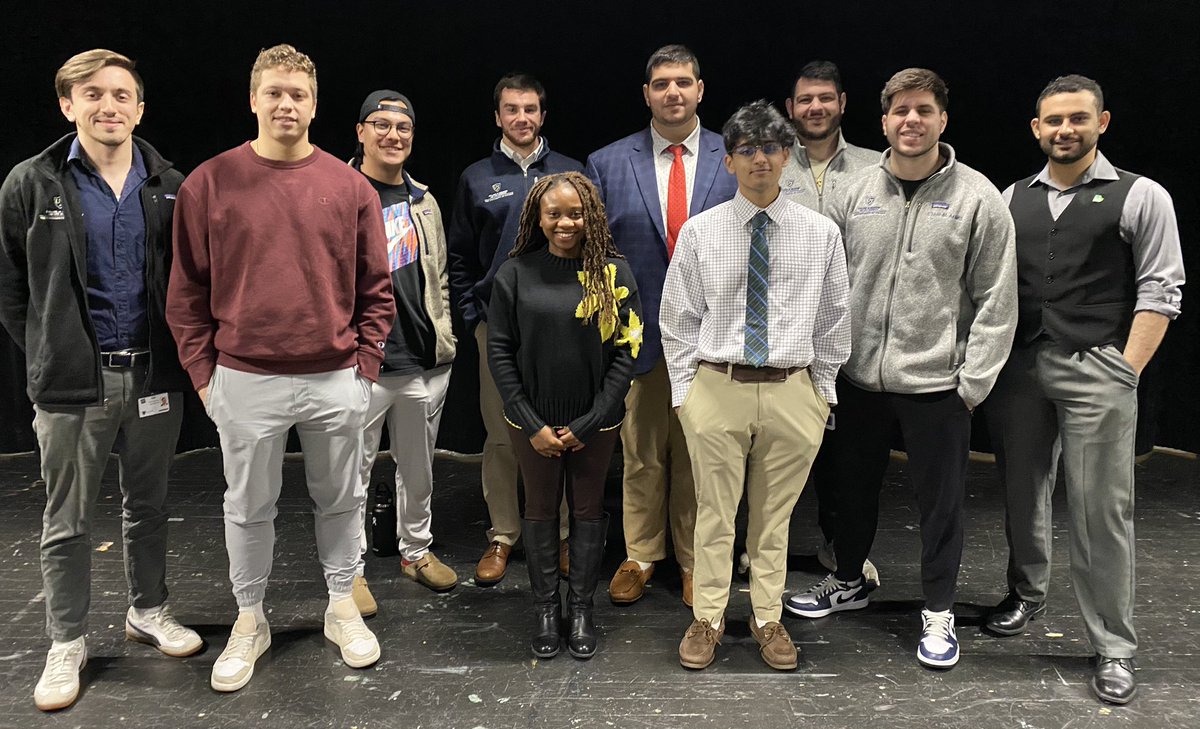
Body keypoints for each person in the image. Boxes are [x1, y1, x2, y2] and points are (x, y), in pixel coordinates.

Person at [167, 44, 395, 692]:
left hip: (334, 378)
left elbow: (377, 288)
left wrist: (366, 368)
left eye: (297, 94)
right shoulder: (209, 183)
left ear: (315, 104)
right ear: (253, 98)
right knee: (247, 506)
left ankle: (340, 605)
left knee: (341, 498)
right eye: (274, 92)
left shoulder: (349, 187)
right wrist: (205, 377)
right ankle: (249, 619)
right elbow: (184, 291)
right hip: (243, 378)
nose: (286, 104)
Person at [785, 68, 1017, 670]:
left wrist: (972, 384)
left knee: (940, 505)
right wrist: (826, 364)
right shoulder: (855, 192)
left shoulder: (978, 198)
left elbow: (997, 298)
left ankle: (938, 608)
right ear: (883, 120)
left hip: (938, 386)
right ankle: (851, 583)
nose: (911, 121)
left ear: (943, 119)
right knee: (851, 491)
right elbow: (822, 281)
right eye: (900, 111)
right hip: (859, 379)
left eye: (923, 110)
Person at [0, 48, 202, 712]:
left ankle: (148, 608)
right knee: (67, 518)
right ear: (68, 104)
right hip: (73, 385)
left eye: (122, 95)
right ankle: (66, 640)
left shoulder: (170, 185)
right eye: (93, 94)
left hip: (152, 374)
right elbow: (12, 291)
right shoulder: (31, 183)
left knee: (147, 505)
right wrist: (49, 353)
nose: (108, 105)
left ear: (139, 108)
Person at [984, 74, 1184, 705]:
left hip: (1097, 367)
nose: (1063, 130)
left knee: (1102, 509)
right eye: (1052, 120)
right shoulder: (1012, 196)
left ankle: (1113, 645)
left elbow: (1161, 289)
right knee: (1022, 491)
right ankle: (1027, 594)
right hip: (1021, 370)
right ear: (1036, 129)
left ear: (1101, 124)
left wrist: (1127, 368)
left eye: (1076, 119)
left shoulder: (1140, 195)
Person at [663, 100, 850, 671]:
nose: (759, 160)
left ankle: (768, 617)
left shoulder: (820, 233)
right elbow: (677, 321)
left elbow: (834, 317)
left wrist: (820, 395)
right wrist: (685, 397)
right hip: (718, 387)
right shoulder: (701, 233)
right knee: (714, 514)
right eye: (746, 150)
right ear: (729, 161)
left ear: (786, 156)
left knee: (776, 517)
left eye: (770, 148)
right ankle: (710, 617)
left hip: (794, 390)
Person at [585, 44, 737, 607]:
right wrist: (606, 334)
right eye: (661, 83)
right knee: (643, 451)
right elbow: (594, 256)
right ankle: (642, 552)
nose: (672, 92)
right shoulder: (606, 162)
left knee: (702, 455)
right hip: (639, 339)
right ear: (647, 93)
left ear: (700, 89)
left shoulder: (734, 155)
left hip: (713, 337)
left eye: (683, 82)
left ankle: (697, 559)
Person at [487, 171, 642, 660]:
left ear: (590, 215)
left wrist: (590, 420)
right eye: (554, 213)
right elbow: (499, 352)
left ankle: (582, 609)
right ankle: (545, 609)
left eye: (575, 212)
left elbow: (626, 352)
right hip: (530, 424)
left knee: (588, 513)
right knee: (538, 512)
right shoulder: (514, 274)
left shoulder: (613, 273)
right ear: (538, 217)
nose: (565, 222)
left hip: (595, 423)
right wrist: (532, 423)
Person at [447, 73, 583, 587]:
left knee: (563, 430)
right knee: (502, 434)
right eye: (511, 109)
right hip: (498, 328)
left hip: (563, 327)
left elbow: (593, 247)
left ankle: (564, 534)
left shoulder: (571, 172)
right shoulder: (477, 178)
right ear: (497, 116)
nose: (521, 117)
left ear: (542, 115)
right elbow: (460, 255)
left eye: (530, 108)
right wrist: (471, 314)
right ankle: (504, 534)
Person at [351, 90, 457, 611]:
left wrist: (445, 339)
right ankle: (348, 572)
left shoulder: (425, 200)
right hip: (363, 365)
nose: (393, 136)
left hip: (421, 360)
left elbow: (436, 275)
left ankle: (416, 552)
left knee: (419, 472)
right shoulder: (341, 192)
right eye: (382, 125)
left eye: (404, 128)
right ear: (361, 132)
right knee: (352, 475)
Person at [781, 59, 881, 587]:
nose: (815, 107)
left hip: (855, 335)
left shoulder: (877, 166)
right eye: (805, 100)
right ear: (790, 109)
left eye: (825, 98)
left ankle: (843, 548)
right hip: (787, 335)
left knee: (846, 458)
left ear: (842, 103)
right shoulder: (772, 164)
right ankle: (764, 546)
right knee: (779, 446)